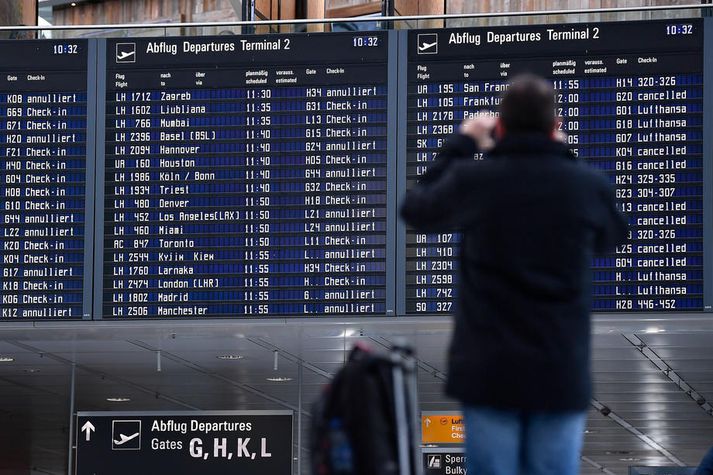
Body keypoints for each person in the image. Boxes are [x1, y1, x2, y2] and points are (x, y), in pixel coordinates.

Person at [401, 74, 628, 475]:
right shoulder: (586, 186)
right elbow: (611, 239)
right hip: (559, 370)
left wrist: (463, 142)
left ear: (499, 127)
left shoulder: (476, 180)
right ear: (554, 127)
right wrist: (562, 157)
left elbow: (416, 209)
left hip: (489, 371)